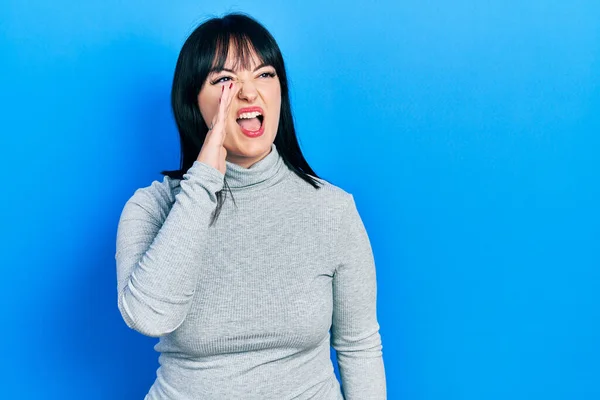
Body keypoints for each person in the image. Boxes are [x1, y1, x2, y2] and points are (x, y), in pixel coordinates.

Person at [115, 12, 386, 400]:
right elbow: (148, 316)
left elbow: (359, 347)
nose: (248, 92)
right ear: (194, 102)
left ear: (280, 93)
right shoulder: (152, 208)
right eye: (225, 80)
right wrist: (205, 176)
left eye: (264, 74)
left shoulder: (332, 209)